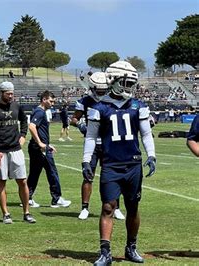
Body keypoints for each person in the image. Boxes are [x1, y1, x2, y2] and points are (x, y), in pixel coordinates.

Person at [83, 61, 156, 265]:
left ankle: (131, 247)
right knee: (108, 207)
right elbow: (90, 137)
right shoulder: (99, 108)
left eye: (131, 83)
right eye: (125, 82)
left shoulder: (138, 106)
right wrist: (86, 160)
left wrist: (151, 154)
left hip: (132, 164)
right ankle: (105, 252)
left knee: (133, 207)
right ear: (113, 80)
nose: (129, 87)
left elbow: (146, 133)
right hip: (111, 165)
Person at [70, 72, 125, 221]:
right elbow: (74, 119)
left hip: (110, 143)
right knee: (88, 176)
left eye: (103, 90)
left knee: (113, 177)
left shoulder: (111, 101)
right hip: (92, 143)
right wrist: (80, 125)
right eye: (99, 90)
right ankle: (84, 208)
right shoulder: (84, 101)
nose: (101, 93)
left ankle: (117, 207)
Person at [0, 81, 35, 224]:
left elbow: (24, 121)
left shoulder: (16, 106)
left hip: (16, 150)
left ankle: (26, 212)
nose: (11, 96)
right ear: (1, 93)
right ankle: (6, 213)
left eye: (12, 93)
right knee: (2, 182)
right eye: (8, 93)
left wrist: (23, 135)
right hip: (0, 151)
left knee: (23, 181)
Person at [26, 90, 71, 208]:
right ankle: (56, 198)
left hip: (38, 147)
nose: (52, 103)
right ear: (44, 99)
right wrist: (41, 143)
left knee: (35, 173)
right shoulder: (40, 112)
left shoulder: (40, 111)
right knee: (52, 172)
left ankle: (27, 197)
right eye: (51, 101)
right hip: (41, 148)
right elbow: (31, 127)